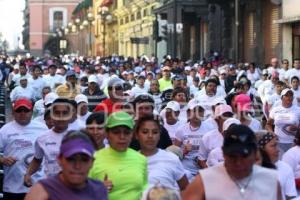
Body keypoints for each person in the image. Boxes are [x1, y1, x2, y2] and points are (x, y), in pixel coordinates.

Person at [182, 124, 282, 200]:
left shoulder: (270, 180)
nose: (238, 162)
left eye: (244, 156)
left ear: (255, 154)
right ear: (224, 154)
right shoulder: (204, 181)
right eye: (233, 156)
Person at [25, 130, 108, 200]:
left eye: (84, 160)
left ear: (92, 162)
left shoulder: (99, 189)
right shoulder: (42, 191)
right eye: (71, 159)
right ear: (59, 159)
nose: (77, 166)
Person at [89, 111, 148, 200]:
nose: (122, 137)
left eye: (126, 132)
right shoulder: (92, 160)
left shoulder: (141, 159)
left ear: (132, 135)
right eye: (116, 132)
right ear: (107, 134)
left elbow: (144, 190)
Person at [0, 98, 48, 200]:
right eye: (19, 110)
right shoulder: (5, 130)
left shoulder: (43, 128)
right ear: (13, 112)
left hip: (38, 185)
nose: (22, 113)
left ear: (31, 112)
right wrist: (2, 160)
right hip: (13, 187)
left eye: (26, 110)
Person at [24, 98, 73, 186]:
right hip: (51, 188)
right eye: (57, 113)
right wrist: (28, 174)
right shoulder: (42, 138)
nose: (60, 116)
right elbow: (37, 160)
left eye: (65, 113)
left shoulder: (79, 137)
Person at [135, 115, 188, 190]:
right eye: (145, 132)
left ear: (159, 135)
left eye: (155, 132)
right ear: (137, 135)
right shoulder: (129, 161)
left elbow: (185, 188)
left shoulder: (172, 159)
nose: (150, 136)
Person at [256, 131, 297, 200]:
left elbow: (291, 196)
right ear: (260, 149)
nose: (278, 150)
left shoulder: (285, 168)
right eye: (273, 146)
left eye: (277, 145)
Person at [266, 88, 300, 154]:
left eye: (291, 95)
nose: (289, 97)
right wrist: (272, 133)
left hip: (294, 142)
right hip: (278, 142)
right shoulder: (275, 110)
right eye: (286, 95)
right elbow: (268, 124)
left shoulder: (298, 110)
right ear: (281, 98)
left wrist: (297, 128)